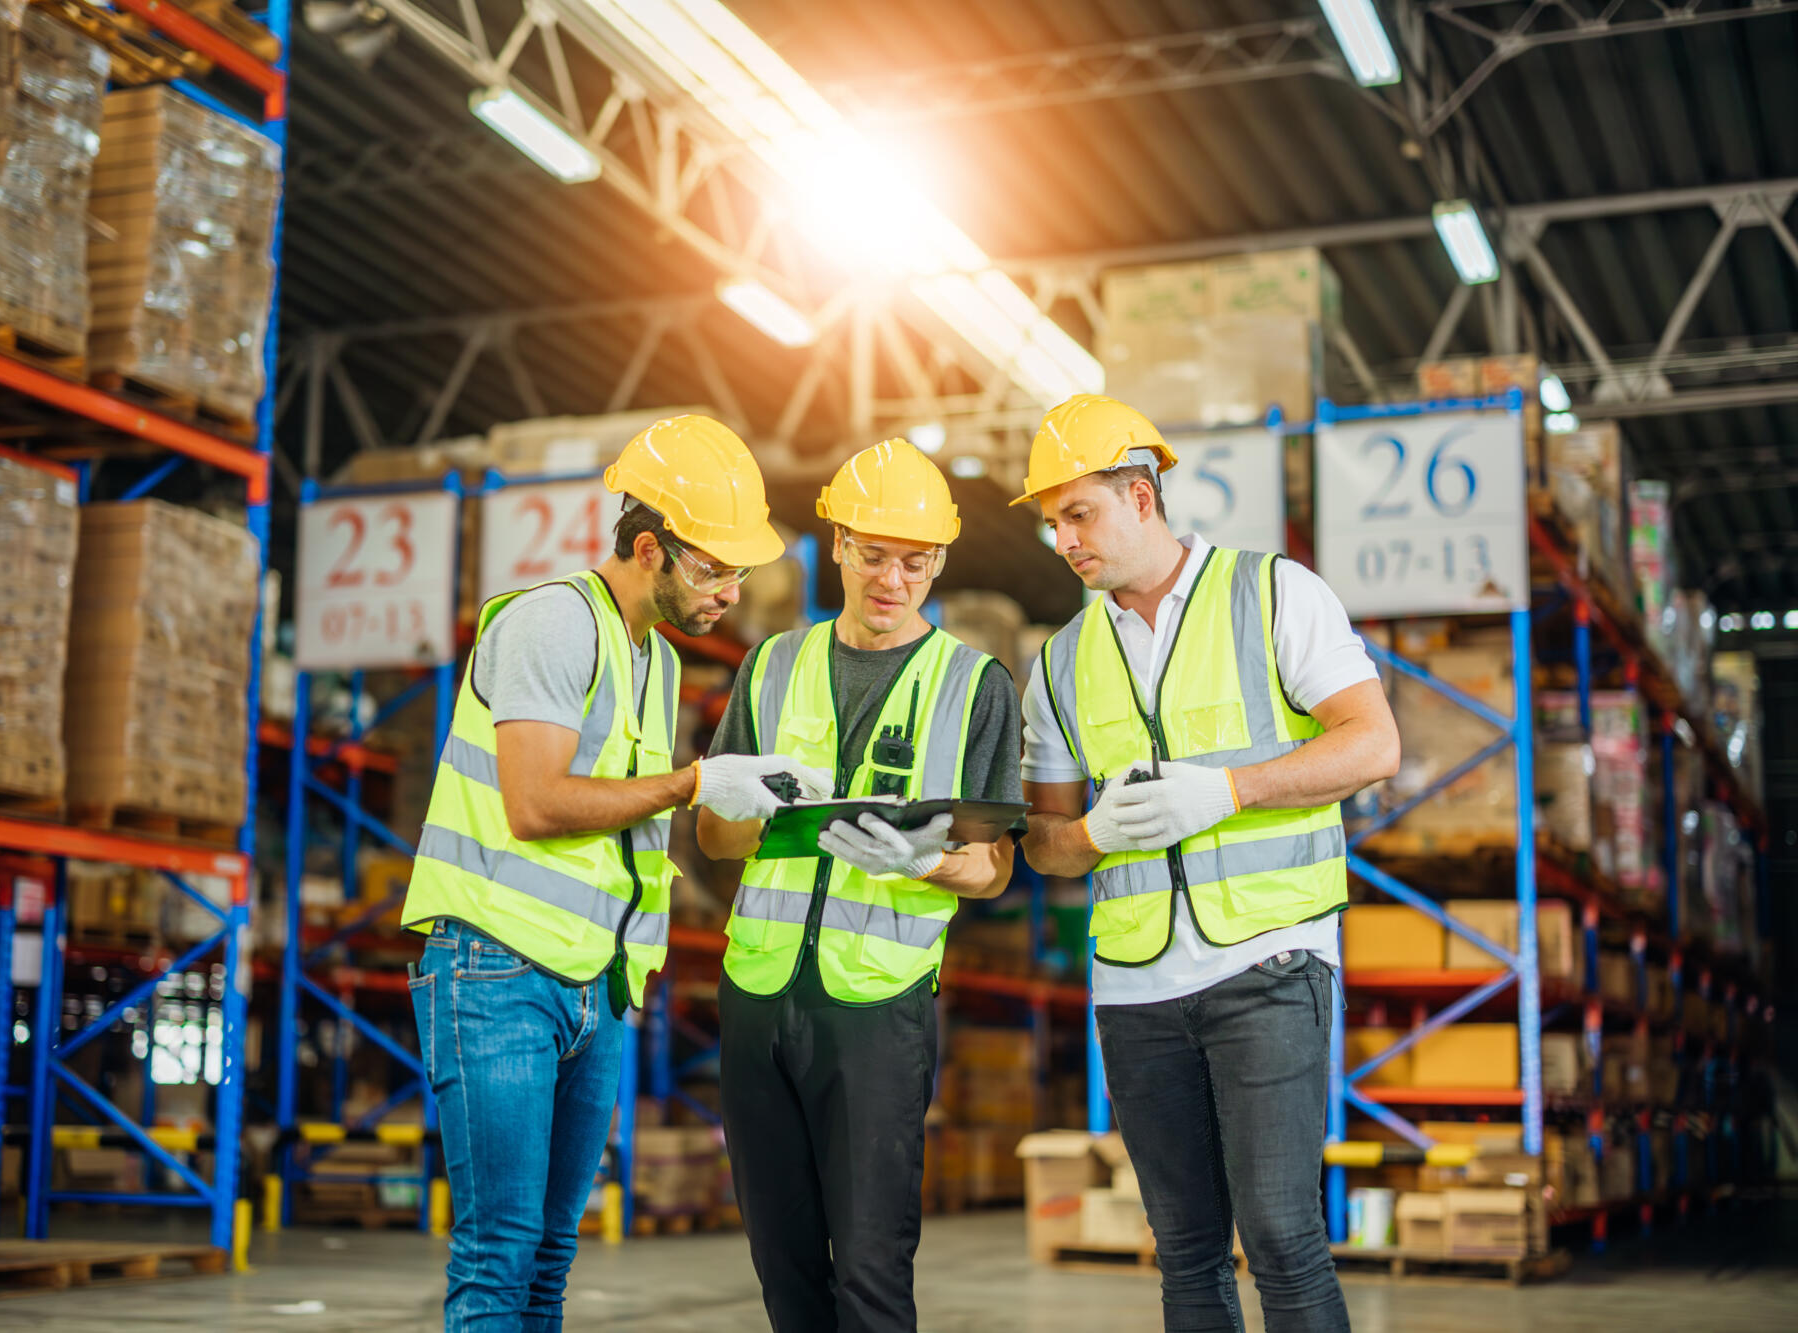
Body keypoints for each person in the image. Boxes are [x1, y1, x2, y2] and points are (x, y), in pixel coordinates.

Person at [400, 414, 832, 1332]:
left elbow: (634, 811)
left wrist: (736, 801)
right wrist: (690, 782)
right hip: (495, 968)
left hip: (597, 978)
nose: (731, 591)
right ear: (649, 548)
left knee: (552, 1258)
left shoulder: (660, 660)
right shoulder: (552, 621)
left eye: (738, 571)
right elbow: (534, 803)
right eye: (713, 568)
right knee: (498, 1253)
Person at [1013, 394, 1400, 1333]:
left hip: (1269, 961)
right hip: (1138, 986)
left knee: (1280, 1234)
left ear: (1141, 495)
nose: (1064, 539)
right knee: (1185, 1250)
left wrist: (1227, 792)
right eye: (1051, 521)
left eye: (1079, 513)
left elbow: (1372, 744)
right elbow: (1043, 841)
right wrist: (1097, 833)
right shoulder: (1061, 662)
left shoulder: (1273, 593)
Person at [697, 439, 1025, 1333]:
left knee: (873, 1272)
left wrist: (926, 861)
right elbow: (717, 841)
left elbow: (993, 867)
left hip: (878, 1008)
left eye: (915, 562)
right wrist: (731, 800)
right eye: (873, 554)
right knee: (784, 1268)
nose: (892, 578)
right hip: (759, 994)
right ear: (837, 543)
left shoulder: (974, 686)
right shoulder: (770, 667)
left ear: (940, 562)